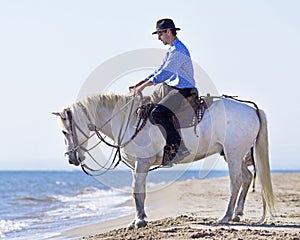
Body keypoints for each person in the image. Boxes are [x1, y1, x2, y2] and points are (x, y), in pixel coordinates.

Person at [129, 18, 196, 166]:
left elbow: (165, 73)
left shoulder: (179, 50)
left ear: (168, 32)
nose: (159, 38)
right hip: (173, 88)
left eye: (160, 34)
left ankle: (178, 148)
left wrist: (144, 86)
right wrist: (140, 83)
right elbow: (159, 70)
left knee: (157, 113)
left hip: (183, 90)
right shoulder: (172, 49)